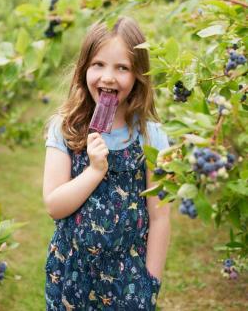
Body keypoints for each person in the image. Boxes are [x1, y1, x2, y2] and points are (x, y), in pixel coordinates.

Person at [43, 16, 171, 310]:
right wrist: (95, 170)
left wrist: (151, 281)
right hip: (70, 273)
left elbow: (160, 216)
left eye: (122, 67)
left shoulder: (152, 136)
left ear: (138, 75)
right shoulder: (65, 129)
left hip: (129, 277)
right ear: (83, 69)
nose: (108, 77)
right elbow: (54, 205)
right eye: (98, 64)